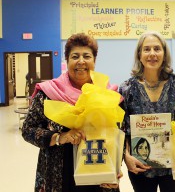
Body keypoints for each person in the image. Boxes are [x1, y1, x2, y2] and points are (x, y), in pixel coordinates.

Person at [22, 33, 121, 192]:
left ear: (94, 61)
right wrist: (60, 137)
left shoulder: (106, 94)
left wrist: (115, 167)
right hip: (60, 175)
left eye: (87, 56)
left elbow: (117, 134)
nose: (81, 61)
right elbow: (28, 130)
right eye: (75, 56)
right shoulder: (49, 93)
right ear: (67, 60)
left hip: (98, 173)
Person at [119, 31, 175, 192]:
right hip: (140, 166)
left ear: (164, 54)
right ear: (139, 55)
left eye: (157, 49)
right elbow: (121, 128)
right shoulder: (126, 88)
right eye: (147, 49)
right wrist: (125, 156)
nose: (152, 54)